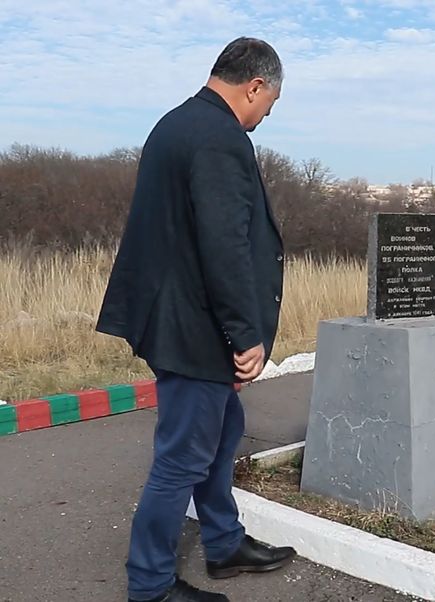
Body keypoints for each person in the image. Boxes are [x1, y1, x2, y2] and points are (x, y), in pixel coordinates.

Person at [96, 37, 296, 602]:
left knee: (223, 429)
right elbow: (223, 245)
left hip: (175, 313)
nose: (262, 118)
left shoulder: (176, 123)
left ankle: (224, 542)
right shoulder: (219, 138)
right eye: (268, 105)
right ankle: (151, 585)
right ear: (254, 86)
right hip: (195, 324)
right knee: (181, 457)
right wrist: (246, 334)